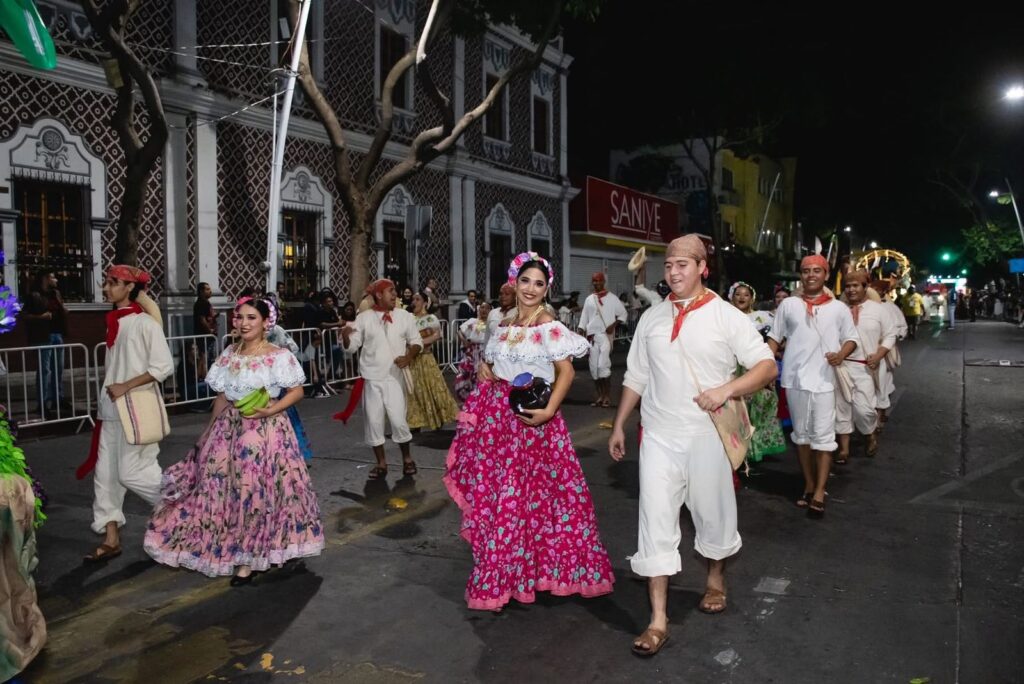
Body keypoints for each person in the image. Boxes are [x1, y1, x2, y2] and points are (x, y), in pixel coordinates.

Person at [609, 236, 776, 656]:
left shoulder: (725, 315)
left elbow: (766, 366)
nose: (673, 272)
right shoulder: (652, 318)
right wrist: (619, 424)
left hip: (707, 435)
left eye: (683, 265)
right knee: (654, 520)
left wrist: (725, 390)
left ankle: (715, 577)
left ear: (703, 267)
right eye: (669, 266)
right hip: (659, 436)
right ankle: (658, 620)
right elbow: (636, 375)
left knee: (712, 515)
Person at [445, 251, 614, 611]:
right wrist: (487, 370)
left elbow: (566, 372)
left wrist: (548, 412)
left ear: (546, 288)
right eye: (526, 281)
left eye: (539, 283)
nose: (531, 289)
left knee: (527, 502)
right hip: (497, 424)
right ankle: (509, 575)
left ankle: (519, 575)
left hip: (532, 422)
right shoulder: (505, 323)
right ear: (514, 282)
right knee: (503, 501)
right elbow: (494, 364)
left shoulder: (547, 324)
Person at [144, 297, 323, 584]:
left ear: (266, 322)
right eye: (240, 317)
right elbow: (223, 397)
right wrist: (207, 432)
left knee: (257, 493)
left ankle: (251, 559)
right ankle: (236, 549)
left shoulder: (278, 356)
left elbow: (296, 391)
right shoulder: (229, 353)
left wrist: (271, 410)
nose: (244, 323)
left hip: (267, 432)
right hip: (229, 430)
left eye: (252, 318)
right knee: (220, 489)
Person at [78, 265, 174, 562]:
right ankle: (111, 539)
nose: (106, 287)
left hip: (138, 411)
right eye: (106, 282)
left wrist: (125, 386)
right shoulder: (115, 322)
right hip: (110, 411)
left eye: (113, 282)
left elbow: (163, 366)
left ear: (130, 287)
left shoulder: (145, 323)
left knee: (133, 473)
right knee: (105, 477)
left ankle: (183, 507)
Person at [768, 255, 859, 519]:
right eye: (806, 271)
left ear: (826, 275)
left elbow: (851, 339)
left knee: (823, 438)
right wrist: (764, 366)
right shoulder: (789, 305)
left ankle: (820, 491)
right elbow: (774, 337)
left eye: (817, 271)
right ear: (801, 275)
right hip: (794, 380)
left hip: (824, 381)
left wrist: (841, 354)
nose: (811, 275)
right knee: (802, 437)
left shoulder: (839, 308)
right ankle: (808, 484)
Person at [338, 279, 422, 479]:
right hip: (372, 379)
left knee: (399, 421)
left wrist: (408, 357)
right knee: (374, 422)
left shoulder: (404, 316)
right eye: (390, 291)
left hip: (394, 378)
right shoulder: (364, 318)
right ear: (378, 295)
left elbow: (416, 341)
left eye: (395, 291)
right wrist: (346, 336)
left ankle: (407, 459)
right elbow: (351, 347)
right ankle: (381, 463)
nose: (395, 295)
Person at [728, 281, 786, 463]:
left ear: (752, 298)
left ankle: (756, 449)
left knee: (761, 408)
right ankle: (740, 451)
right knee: (738, 410)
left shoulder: (762, 318)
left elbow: (776, 340)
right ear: (731, 297)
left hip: (756, 368)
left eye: (746, 294)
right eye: (738, 294)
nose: (742, 298)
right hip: (733, 369)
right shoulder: (725, 317)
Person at [406, 291, 460, 431]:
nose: (414, 302)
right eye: (413, 299)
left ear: (425, 303)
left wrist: (418, 344)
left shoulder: (430, 319)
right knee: (414, 391)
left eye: (417, 299)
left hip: (425, 358)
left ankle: (438, 418)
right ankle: (415, 422)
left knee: (433, 388)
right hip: (412, 360)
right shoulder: (409, 318)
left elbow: (437, 335)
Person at [23, 271, 70, 414]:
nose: (56, 280)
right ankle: (42, 403)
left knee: (58, 369)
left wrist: (63, 310)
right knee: (45, 370)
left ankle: (57, 398)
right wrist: (41, 317)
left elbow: (61, 310)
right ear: (45, 279)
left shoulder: (56, 293)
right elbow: (25, 316)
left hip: (57, 334)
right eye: (53, 277)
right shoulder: (34, 295)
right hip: (43, 336)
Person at [578, 272, 627, 408]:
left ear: (603, 282)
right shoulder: (589, 299)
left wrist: (613, 325)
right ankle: (600, 396)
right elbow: (584, 318)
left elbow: (623, 314)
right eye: (594, 281)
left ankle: (607, 396)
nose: (596, 283)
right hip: (592, 338)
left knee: (602, 366)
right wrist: (580, 332)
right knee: (594, 369)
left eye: (599, 280)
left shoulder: (612, 298)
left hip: (605, 336)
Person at [454, 301, 492, 401]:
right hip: (471, 351)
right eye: (482, 308)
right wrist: (464, 341)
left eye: (487, 308)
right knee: (467, 372)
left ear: (490, 310)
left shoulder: (492, 324)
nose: (484, 310)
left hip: (484, 351)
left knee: (482, 374)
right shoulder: (472, 321)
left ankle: (481, 397)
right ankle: (469, 397)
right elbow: (460, 331)